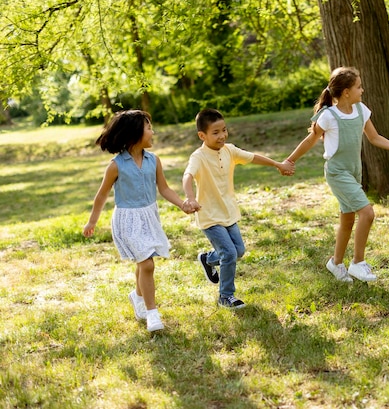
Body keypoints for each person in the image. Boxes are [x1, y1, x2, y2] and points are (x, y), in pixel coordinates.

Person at [284, 66, 389, 283]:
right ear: (346, 92)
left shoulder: (361, 110)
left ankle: (336, 262)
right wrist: (290, 160)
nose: (363, 90)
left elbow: (375, 138)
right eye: (359, 87)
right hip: (337, 172)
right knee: (367, 213)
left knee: (348, 219)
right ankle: (358, 263)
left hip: (354, 171)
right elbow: (311, 140)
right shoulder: (329, 116)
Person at [83, 110, 196, 332]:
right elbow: (102, 195)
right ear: (135, 133)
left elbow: (163, 188)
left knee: (143, 262)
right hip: (127, 220)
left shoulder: (154, 160)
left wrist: (182, 204)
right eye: (149, 128)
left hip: (149, 216)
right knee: (147, 263)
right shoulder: (116, 165)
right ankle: (152, 313)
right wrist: (92, 222)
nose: (153, 132)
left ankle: (137, 296)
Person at [182, 108, 294, 309]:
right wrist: (190, 198)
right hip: (209, 215)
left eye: (224, 130)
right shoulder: (198, 157)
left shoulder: (229, 150)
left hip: (228, 212)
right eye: (215, 132)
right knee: (229, 253)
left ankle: (208, 259)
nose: (222, 135)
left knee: (238, 251)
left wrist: (278, 164)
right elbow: (187, 176)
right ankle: (226, 296)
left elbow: (253, 157)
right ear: (202, 135)